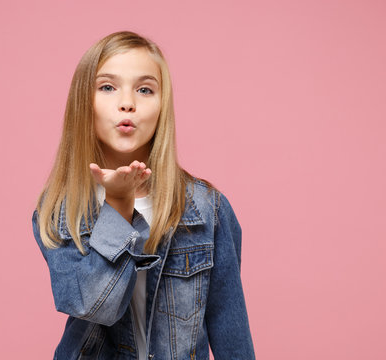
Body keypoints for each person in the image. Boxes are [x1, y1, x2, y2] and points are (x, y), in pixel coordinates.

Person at [32, 30, 255, 360]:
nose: (127, 103)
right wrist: (119, 208)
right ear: (84, 103)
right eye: (107, 87)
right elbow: (93, 305)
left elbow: (230, 331)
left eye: (145, 89)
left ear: (162, 106)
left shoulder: (208, 209)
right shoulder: (60, 211)